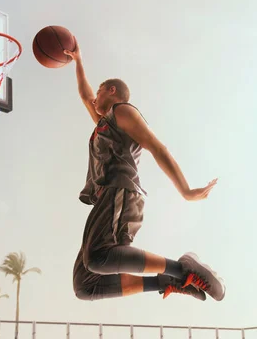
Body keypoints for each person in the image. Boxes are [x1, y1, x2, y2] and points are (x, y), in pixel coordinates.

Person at [63, 43, 225, 302]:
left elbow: (157, 147)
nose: (94, 97)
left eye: (100, 91)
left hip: (122, 192)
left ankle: (182, 269)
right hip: (107, 198)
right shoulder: (104, 124)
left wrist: (186, 191)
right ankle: (168, 281)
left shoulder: (122, 112)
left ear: (112, 91)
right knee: (85, 286)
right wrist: (78, 60)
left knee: (97, 258)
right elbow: (85, 95)